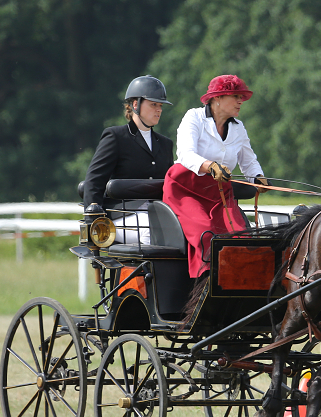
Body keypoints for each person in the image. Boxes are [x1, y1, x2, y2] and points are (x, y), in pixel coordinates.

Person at [163, 74, 269, 278]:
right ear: (217, 98)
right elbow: (185, 154)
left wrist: (257, 178)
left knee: (240, 236)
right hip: (186, 189)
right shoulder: (193, 117)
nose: (241, 101)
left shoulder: (238, 128)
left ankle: (239, 283)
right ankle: (206, 283)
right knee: (207, 234)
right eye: (235, 96)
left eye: (241, 97)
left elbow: (248, 161)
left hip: (219, 193)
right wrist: (209, 166)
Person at [82, 75, 174, 244]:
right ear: (135, 104)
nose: (159, 110)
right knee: (151, 229)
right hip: (123, 216)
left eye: (160, 105)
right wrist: (93, 219)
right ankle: (146, 271)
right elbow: (94, 180)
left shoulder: (166, 144)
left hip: (158, 213)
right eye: (153, 104)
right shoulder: (116, 137)